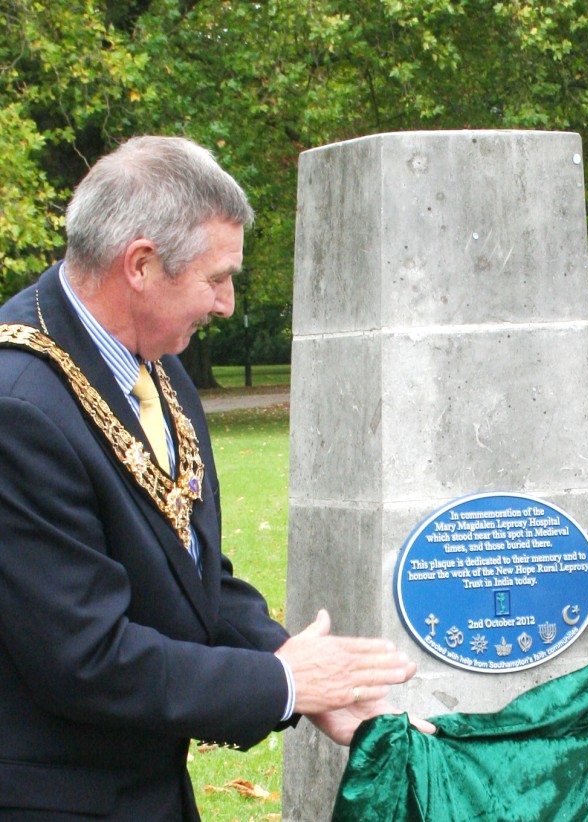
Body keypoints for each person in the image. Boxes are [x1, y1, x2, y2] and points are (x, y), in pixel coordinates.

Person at [0, 136, 425, 820]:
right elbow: (86, 657)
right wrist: (282, 682)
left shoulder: (154, 365)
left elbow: (190, 570)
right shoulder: (18, 406)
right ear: (140, 264)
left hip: (145, 792)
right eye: (216, 277)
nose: (226, 304)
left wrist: (298, 665)